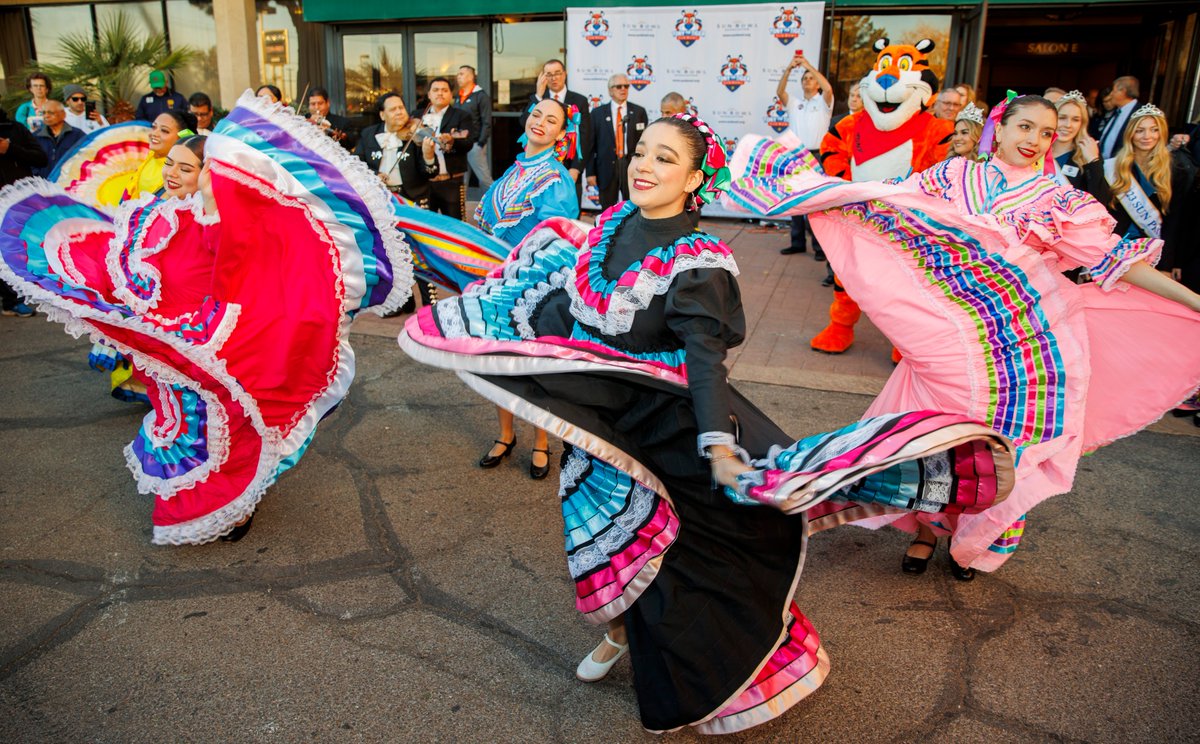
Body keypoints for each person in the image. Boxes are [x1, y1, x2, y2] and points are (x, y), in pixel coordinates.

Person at [400, 112, 1015, 734]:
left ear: (695, 177)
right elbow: (567, 303)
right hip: (601, 420)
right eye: (641, 151)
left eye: (665, 158)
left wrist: (718, 443)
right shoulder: (612, 226)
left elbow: (703, 360)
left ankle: (666, 652)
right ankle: (618, 630)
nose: (644, 165)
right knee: (598, 540)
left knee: (678, 553)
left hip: (668, 426)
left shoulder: (699, 262)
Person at [724, 94, 1200, 578]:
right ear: (1001, 127)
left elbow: (1118, 259)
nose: (1034, 140)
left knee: (1003, 445)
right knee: (935, 434)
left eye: (1045, 133)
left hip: (1019, 350)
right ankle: (928, 531)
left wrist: (1194, 301)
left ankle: (977, 534)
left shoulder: (1060, 201)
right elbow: (890, 201)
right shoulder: (955, 176)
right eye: (1025, 127)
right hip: (943, 339)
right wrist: (814, 185)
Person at [0, 91, 412, 545]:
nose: (172, 173)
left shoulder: (219, 221)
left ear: (208, 176)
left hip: (217, 341)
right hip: (173, 342)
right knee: (185, 429)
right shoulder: (158, 211)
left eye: (185, 167)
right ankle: (210, 506)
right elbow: (131, 258)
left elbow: (251, 262)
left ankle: (233, 507)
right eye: (170, 164)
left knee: (229, 426)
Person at [475, 98, 580, 480]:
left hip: (531, 288)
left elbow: (559, 241)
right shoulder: (511, 171)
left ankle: (540, 441)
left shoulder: (556, 179)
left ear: (560, 134)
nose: (541, 122)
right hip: (495, 281)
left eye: (551, 120)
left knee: (531, 365)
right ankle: (505, 435)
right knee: (494, 360)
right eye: (537, 114)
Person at [1104, 103, 1196, 281]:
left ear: (1161, 133)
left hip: (1153, 253)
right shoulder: (1114, 167)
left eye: (1154, 130)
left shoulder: (1175, 169)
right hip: (1116, 251)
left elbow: (1175, 222)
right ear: (1130, 134)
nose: (1147, 136)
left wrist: (1167, 264)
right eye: (1140, 130)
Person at [776, 52, 832, 257]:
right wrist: (790, 69)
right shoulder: (795, 103)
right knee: (795, 200)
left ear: (816, 83)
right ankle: (797, 242)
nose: (808, 81)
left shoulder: (824, 102)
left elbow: (828, 88)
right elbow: (779, 91)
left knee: (815, 202)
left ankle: (819, 247)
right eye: (805, 78)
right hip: (796, 155)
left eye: (811, 78)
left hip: (817, 155)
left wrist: (808, 65)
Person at [522, 59, 592, 205]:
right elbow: (524, 122)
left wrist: (576, 168)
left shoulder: (579, 100)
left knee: (569, 214)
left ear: (565, 74)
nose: (554, 78)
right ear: (543, 77)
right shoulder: (539, 98)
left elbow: (585, 137)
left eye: (557, 73)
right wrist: (538, 96)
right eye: (549, 74)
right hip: (541, 167)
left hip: (569, 167)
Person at [0, 104, 47, 318]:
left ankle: (17, 298)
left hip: (16, 204)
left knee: (15, 251)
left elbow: (40, 158)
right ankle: (10, 300)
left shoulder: (15, 129)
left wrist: (10, 149)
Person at [355, 92, 438, 205]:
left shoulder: (416, 134)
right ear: (382, 115)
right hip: (379, 198)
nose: (399, 112)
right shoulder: (368, 134)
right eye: (393, 109)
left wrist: (429, 157)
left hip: (412, 199)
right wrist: (375, 175)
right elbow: (356, 164)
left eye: (401, 108)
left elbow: (430, 174)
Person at [588, 73, 649, 209]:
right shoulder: (597, 113)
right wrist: (590, 172)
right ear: (610, 91)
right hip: (606, 168)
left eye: (626, 86)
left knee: (634, 206)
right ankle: (609, 231)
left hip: (632, 166)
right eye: (619, 86)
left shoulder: (639, 112)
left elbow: (645, 144)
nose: (623, 89)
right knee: (607, 209)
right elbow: (591, 146)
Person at [420, 77, 478, 221]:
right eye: (436, 90)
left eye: (444, 90)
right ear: (429, 94)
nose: (440, 93)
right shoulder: (418, 116)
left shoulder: (462, 116)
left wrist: (452, 141)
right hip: (424, 183)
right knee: (426, 226)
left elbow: (468, 143)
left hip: (451, 180)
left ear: (451, 95)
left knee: (456, 225)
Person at [1049, 91, 1109, 204]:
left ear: (1082, 124)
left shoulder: (1087, 154)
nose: (1068, 125)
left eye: (1075, 120)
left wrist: (1093, 162)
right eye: (1062, 118)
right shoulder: (1038, 151)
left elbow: (1101, 201)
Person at [123, 110, 196, 201]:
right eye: (154, 127)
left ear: (182, 138)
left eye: (164, 131)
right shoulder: (149, 157)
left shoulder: (182, 172)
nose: (154, 134)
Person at [454, 66, 493, 190]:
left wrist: (481, 143)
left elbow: (487, 121)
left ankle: (498, 203)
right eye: (458, 74)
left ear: (471, 77)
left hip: (475, 144)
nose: (458, 76)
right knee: (461, 180)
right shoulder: (458, 96)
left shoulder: (481, 96)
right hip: (460, 145)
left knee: (484, 179)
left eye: (462, 74)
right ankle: (461, 208)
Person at [31, 100, 85, 178]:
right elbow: (30, 160)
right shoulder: (36, 136)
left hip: (69, 182)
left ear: (63, 114)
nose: (46, 116)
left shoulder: (77, 135)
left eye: (51, 113)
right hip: (44, 184)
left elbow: (85, 157)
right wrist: (37, 175)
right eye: (44, 113)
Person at [1098, 75, 1139, 159]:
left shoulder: (1139, 113)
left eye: (1113, 90)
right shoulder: (1117, 111)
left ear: (1123, 91)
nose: (1111, 94)